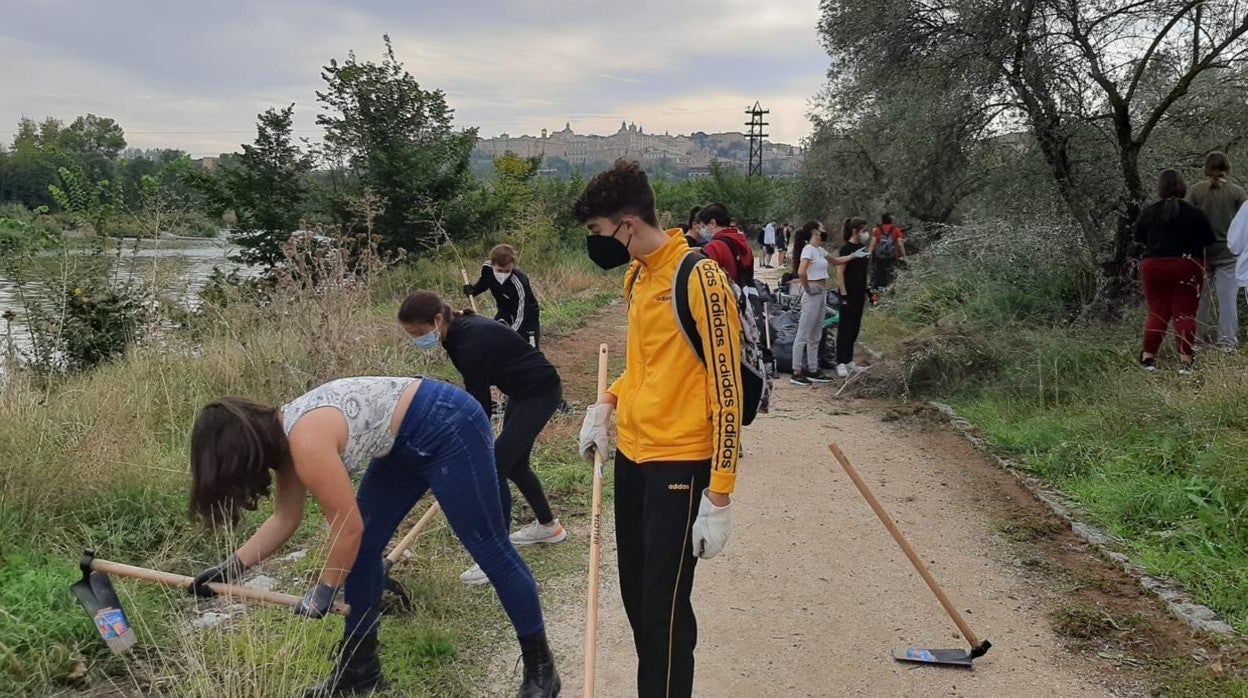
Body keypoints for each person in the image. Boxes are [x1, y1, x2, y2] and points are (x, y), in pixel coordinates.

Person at [187, 377, 560, 697]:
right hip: (401, 442)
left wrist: (325, 588)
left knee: (488, 547)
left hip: (448, 421)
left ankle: (541, 670)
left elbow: (348, 528)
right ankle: (359, 669)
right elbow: (285, 519)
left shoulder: (305, 440)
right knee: (363, 552)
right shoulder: (285, 442)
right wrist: (231, 567)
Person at [572, 159, 741, 697]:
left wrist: (720, 493)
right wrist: (608, 400)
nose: (595, 243)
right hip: (634, 457)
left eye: (597, 231)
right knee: (637, 599)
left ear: (626, 224)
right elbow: (645, 364)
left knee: (664, 611)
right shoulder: (637, 276)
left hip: (681, 462)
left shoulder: (700, 277)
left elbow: (727, 386)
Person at [399, 291, 567, 586]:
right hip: (523, 392)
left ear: (438, 320)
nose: (416, 339)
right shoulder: (455, 333)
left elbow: (479, 405)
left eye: (419, 333)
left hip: (540, 392)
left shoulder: (469, 342)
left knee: (496, 466)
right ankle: (548, 527)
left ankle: (497, 558)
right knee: (514, 465)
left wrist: (470, 445)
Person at [1134, 169, 1216, 374]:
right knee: (1185, 313)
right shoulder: (1195, 214)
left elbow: (1139, 238)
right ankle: (1185, 360)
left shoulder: (1148, 212)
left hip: (1153, 265)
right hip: (1186, 265)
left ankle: (1148, 358)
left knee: (1157, 311)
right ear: (1182, 187)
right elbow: (1208, 241)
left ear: (1160, 188)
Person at [791, 221, 866, 385]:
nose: (824, 230)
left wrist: (853, 256)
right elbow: (801, 271)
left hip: (822, 293)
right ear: (815, 232)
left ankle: (813, 369)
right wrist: (808, 288)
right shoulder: (808, 250)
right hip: (813, 292)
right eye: (822, 228)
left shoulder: (820, 250)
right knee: (803, 333)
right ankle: (796, 371)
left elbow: (836, 261)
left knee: (816, 334)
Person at [1188, 151, 1248, 350]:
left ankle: (1196, 340)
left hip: (1201, 253)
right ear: (1227, 168)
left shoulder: (1196, 191)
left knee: (1200, 300)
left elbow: (1186, 219)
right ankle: (1227, 342)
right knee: (1228, 300)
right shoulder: (1237, 192)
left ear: (1206, 168)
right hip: (1229, 254)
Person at [464, 244, 542, 348]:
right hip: (504, 311)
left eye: (507, 271)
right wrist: (473, 290)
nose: (503, 274)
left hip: (527, 318)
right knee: (494, 340)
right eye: (499, 270)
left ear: (513, 266)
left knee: (529, 350)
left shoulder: (520, 283)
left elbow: (521, 316)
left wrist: (509, 335)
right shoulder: (487, 269)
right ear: (492, 265)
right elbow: (485, 282)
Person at [835, 218, 872, 378]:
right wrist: (843, 295)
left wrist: (869, 291)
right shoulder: (846, 249)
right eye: (864, 230)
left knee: (855, 327)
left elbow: (863, 272)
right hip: (848, 294)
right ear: (855, 230)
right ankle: (840, 362)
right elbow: (840, 272)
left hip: (859, 293)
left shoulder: (862, 249)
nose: (866, 233)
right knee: (845, 327)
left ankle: (849, 360)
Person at [698, 203, 755, 285]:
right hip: (743, 293)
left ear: (712, 223)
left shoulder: (714, 247)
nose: (702, 231)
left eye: (703, 226)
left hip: (724, 295)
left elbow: (707, 280)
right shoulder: (743, 242)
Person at [868, 213, 908, 293]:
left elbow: (872, 245)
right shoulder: (895, 230)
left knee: (879, 273)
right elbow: (900, 244)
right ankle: (890, 291)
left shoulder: (877, 230)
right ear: (891, 220)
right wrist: (905, 256)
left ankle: (877, 291)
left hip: (879, 257)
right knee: (891, 273)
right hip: (891, 257)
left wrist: (868, 255)